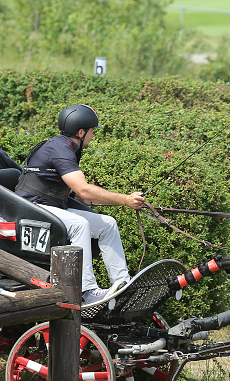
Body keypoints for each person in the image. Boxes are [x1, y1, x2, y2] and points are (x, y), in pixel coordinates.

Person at [15, 104, 147, 306]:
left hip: (50, 206)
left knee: (107, 224)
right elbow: (84, 189)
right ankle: (87, 291)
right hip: (31, 208)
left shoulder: (67, 146)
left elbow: (59, 182)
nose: (93, 136)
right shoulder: (60, 149)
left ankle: (122, 284)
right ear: (81, 132)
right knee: (79, 224)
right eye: (92, 131)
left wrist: (74, 193)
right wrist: (126, 200)